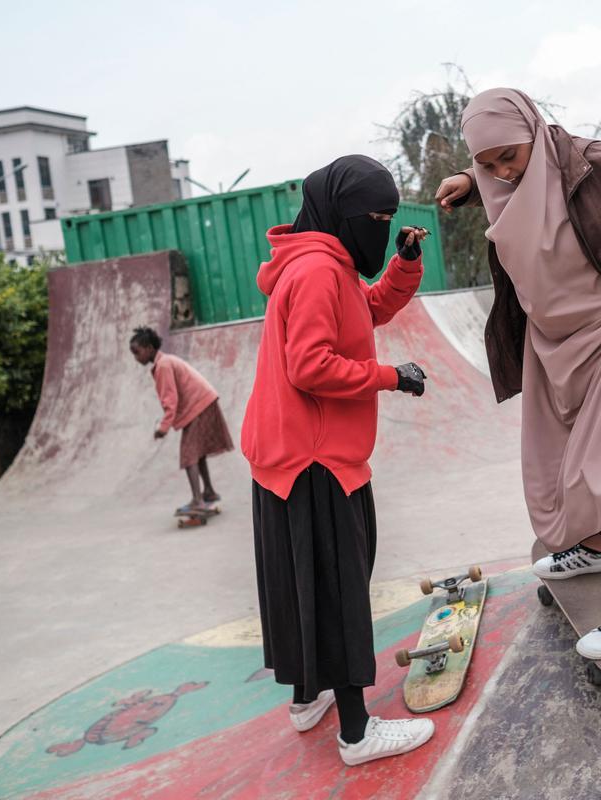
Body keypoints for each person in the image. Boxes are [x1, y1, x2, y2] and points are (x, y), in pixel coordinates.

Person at [435, 88, 601, 661]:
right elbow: (497, 167)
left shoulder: (596, 164)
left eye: (509, 156)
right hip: (555, 342)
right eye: (489, 164)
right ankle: (590, 546)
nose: (504, 172)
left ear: (534, 127)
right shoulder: (504, 182)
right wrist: (469, 175)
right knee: (554, 460)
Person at [241, 155, 434, 767]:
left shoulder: (328, 262)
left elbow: (368, 311)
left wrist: (402, 265)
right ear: (343, 214)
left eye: (388, 218)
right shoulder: (320, 272)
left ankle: (307, 699)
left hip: (292, 457)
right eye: (375, 218)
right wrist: (391, 377)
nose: (380, 227)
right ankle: (357, 732)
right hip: (315, 461)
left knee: (308, 585)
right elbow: (311, 366)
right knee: (342, 589)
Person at [129, 326, 232, 514]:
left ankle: (197, 500)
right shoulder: (165, 362)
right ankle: (208, 491)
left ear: (150, 348)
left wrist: (163, 427)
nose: (136, 358)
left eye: (137, 352)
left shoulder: (163, 366)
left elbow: (170, 400)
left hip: (199, 405)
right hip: (204, 402)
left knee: (188, 454)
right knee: (197, 452)